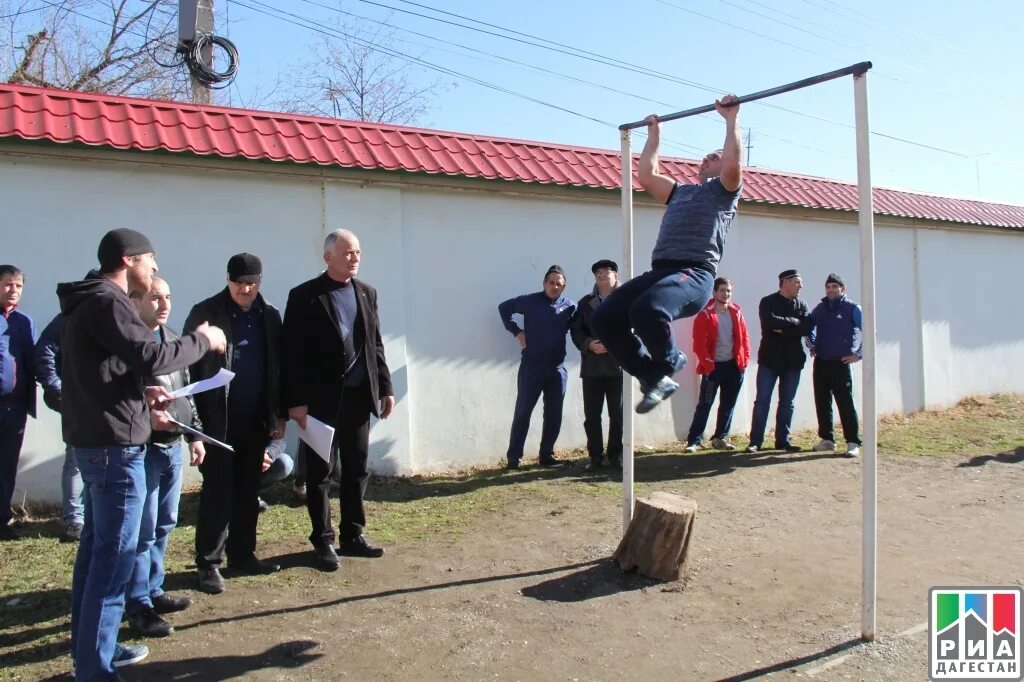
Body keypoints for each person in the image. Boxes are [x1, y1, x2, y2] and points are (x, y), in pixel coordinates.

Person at [58, 228, 226, 680]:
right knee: (113, 561)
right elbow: (152, 354)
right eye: (152, 265)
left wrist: (139, 391)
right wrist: (203, 339)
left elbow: (104, 370)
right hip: (115, 453)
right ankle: (94, 669)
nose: (153, 275)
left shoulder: (87, 301)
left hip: (98, 446)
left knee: (97, 554)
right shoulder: (107, 301)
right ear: (132, 259)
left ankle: (94, 653)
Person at [591, 95, 743, 414]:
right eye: (704, 157)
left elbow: (732, 164)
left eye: (713, 156)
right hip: (661, 271)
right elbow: (646, 176)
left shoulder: (725, 192)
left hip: (695, 273)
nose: (707, 159)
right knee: (605, 318)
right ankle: (654, 377)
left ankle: (672, 360)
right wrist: (654, 137)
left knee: (648, 308)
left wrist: (731, 120)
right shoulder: (681, 192)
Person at [282, 229, 395, 572]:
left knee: (357, 468)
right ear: (328, 256)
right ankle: (323, 540)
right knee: (320, 472)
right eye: (347, 253)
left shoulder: (366, 293)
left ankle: (353, 535)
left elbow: (375, 344)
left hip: (360, 397)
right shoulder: (305, 296)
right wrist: (296, 400)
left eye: (358, 252)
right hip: (319, 402)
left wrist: (385, 387)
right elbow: (292, 354)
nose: (354, 258)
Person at [184, 253, 285, 595]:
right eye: (239, 283)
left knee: (247, 491)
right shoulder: (206, 313)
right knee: (217, 492)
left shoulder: (269, 315)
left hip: (255, 417)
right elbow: (188, 369)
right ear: (227, 279)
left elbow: (277, 367)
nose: (245, 289)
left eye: (251, 283)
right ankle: (208, 563)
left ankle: (242, 554)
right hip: (217, 420)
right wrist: (194, 424)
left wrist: (276, 416)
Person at [124, 276, 205, 637]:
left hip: (173, 445)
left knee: (165, 523)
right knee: (142, 530)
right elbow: (124, 396)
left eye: (168, 297)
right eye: (156, 298)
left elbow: (186, 390)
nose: (164, 304)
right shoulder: (130, 343)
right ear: (137, 301)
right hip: (144, 449)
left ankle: (154, 589)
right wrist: (146, 413)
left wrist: (193, 435)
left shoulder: (171, 338)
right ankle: (137, 603)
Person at [33, 270, 102, 542]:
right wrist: (58, 388)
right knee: (75, 458)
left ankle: (93, 515)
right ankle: (75, 520)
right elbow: (44, 352)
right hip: (78, 402)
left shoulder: (114, 318)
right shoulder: (66, 319)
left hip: (106, 403)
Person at [498, 265, 577, 469]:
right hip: (532, 368)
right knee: (523, 412)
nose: (554, 287)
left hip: (557, 370)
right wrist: (516, 331)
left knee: (554, 414)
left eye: (559, 284)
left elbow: (577, 329)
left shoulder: (570, 307)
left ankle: (546, 456)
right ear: (544, 283)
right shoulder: (530, 301)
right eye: (551, 282)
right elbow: (504, 308)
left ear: (564, 287)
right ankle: (514, 458)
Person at [683, 277, 750, 453]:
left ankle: (720, 437)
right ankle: (694, 440)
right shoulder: (705, 314)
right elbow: (698, 344)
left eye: (728, 290)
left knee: (728, 404)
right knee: (705, 404)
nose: (726, 294)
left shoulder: (736, 312)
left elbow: (744, 338)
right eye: (722, 290)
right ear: (714, 292)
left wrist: (744, 361)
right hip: (713, 368)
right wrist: (709, 364)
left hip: (734, 367)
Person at [746, 270, 810, 454]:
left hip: (793, 362)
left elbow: (806, 327)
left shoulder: (802, 304)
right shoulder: (768, 302)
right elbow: (768, 322)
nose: (801, 286)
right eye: (797, 282)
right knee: (762, 401)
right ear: (785, 282)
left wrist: (786, 329)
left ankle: (783, 440)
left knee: (787, 403)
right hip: (769, 360)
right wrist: (792, 321)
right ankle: (755, 441)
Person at [569, 259, 623, 471]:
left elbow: (634, 327)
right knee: (592, 416)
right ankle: (595, 456)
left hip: (618, 367)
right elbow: (576, 330)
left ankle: (616, 455)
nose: (601, 275)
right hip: (592, 368)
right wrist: (589, 344)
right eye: (597, 273)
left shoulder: (624, 300)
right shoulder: (585, 302)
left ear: (616, 275)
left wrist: (614, 343)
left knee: (617, 416)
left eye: (606, 271)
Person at [808, 273, 863, 457]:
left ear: (843, 289)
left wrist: (858, 354)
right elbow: (808, 327)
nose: (831, 290)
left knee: (845, 403)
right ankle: (827, 440)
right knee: (822, 402)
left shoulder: (853, 309)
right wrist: (812, 345)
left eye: (834, 287)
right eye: (828, 287)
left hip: (841, 364)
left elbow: (870, 331)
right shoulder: (821, 308)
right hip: (822, 362)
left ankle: (853, 442)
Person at [0, 265, 35, 542]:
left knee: (7, 465)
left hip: (14, 408)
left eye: (18, 286)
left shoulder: (24, 322)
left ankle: (2, 520)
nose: (13, 290)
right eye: (8, 284)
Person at [257, 436, 295, 512]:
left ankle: (253, 492)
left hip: (260, 456)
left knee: (285, 463)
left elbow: (280, 440)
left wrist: (269, 455)